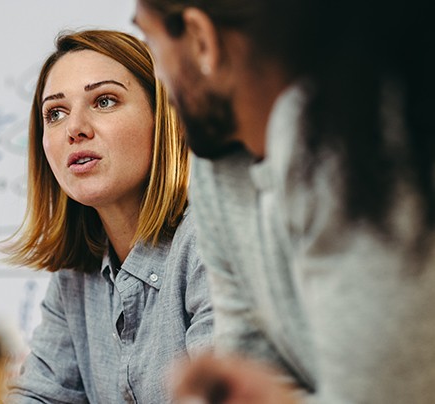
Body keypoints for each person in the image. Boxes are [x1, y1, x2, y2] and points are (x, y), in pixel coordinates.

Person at [0, 29, 213, 404]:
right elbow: (42, 397)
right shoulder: (76, 277)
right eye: (55, 113)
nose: (75, 129)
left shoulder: (214, 244)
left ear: (163, 118)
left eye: (104, 101)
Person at [133, 0, 435, 403]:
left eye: (150, 42)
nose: (158, 77)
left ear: (201, 40)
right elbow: (250, 359)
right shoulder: (216, 168)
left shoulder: (360, 151)